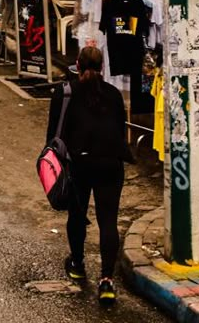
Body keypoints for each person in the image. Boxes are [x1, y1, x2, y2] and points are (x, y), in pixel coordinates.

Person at [46, 46, 129, 303]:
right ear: (102, 67)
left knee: (77, 215)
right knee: (108, 221)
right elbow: (120, 129)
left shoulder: (64, 93)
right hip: (110, 164)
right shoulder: (113, 94)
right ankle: (106, 280)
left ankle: (78, 265)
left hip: (78, 164)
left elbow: (53, 135)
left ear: (77, 65)